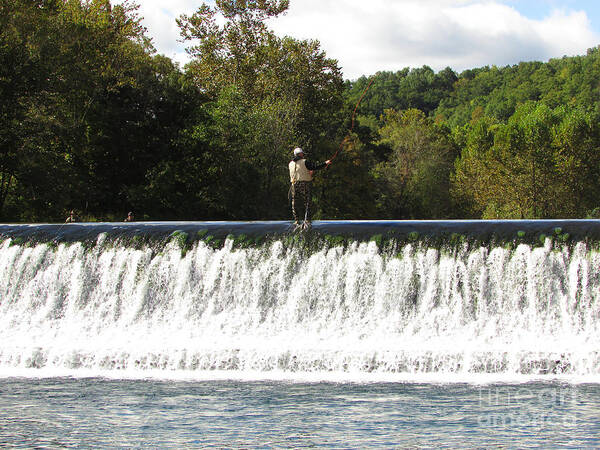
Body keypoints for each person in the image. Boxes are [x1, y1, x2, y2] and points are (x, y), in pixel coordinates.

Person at [288, 147, 331, 230]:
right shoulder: (305, 162)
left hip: (293, 185)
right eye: (302, 153)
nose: (303, 155)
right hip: (304, 184)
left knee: (295, 202)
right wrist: (325, 163)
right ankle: (307, 221)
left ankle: (296, 220)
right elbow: (315, 167)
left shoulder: (290, 164)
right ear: (300, 154)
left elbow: (299, 172)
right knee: (307, 202)